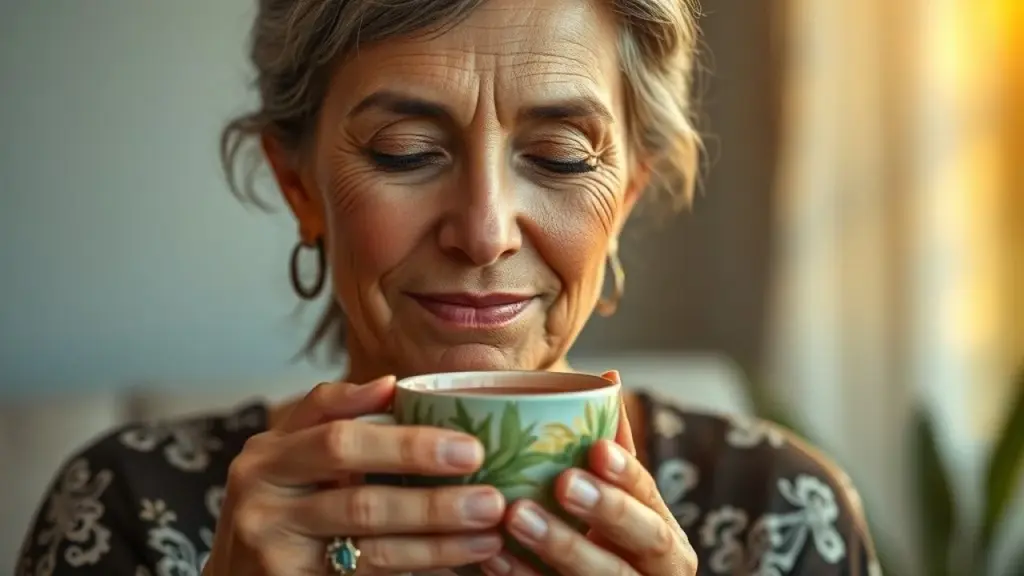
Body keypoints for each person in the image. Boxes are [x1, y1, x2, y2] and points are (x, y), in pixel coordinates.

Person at [16, 0, 881, 574]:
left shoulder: (781, 513)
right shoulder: (126, 508)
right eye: (404, 150)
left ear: (623, 198)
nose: (484, 229)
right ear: (299, 186)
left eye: (559, 157)